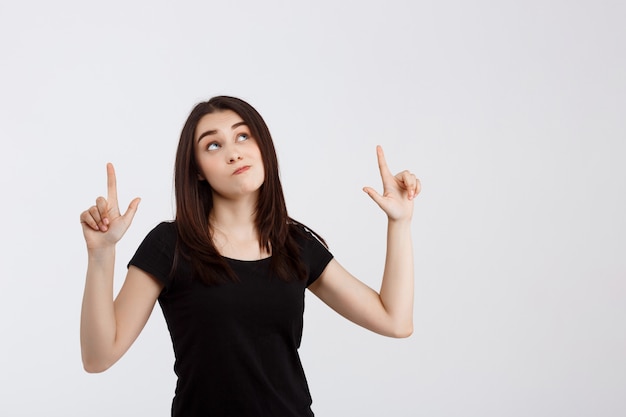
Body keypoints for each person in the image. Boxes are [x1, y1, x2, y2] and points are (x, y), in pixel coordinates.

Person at [79, 96, 420, 416]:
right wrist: (101, 254)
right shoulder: (170, 244)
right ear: (197, 169)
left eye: (243, 136)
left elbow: (395, 321)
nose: (233, 153)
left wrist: (400, 222)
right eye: (213, 144)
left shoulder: (294, 244)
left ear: (263, 148)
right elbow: (98, 357)